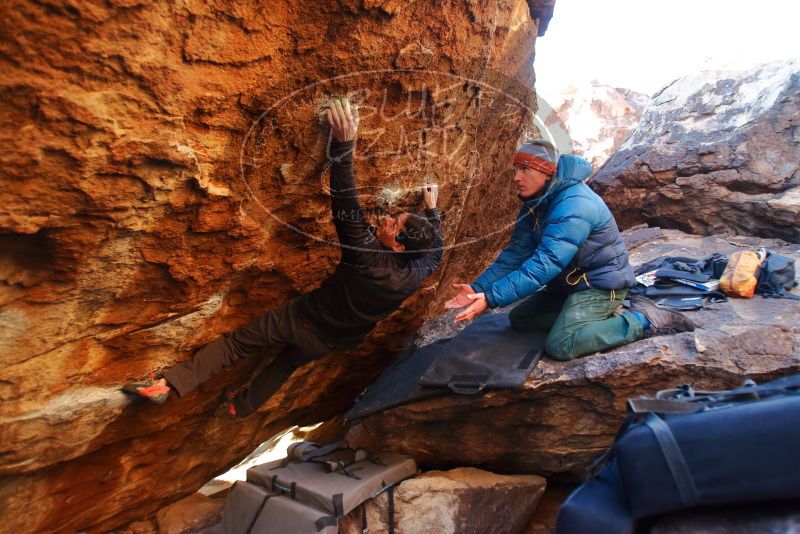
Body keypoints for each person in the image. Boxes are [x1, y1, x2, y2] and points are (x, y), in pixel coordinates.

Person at [123, 99, 443, 416]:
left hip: (300, 319)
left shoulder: (364, 253)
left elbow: (345, 199)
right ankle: (241, 405)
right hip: (332, 341)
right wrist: (432, 211)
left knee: (236, 345)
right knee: (284, 366)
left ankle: (167, 385)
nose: (387, 219)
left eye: (394, 225)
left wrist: (344, 142)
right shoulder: (415, 273)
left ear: (400, 246)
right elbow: (436, 252)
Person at [445, 139, 694, 361]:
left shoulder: (574, 205)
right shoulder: (537, 203)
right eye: (516, 169)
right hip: (570, 286)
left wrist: (492, 298)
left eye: (524, 169)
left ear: (547, 172)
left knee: (561, 345)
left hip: (600, 286)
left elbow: (545, 263)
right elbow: (516, 254)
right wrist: (478, 288)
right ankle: (591, 321)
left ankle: (644, 321)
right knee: (520, 319)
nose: (516, 177)